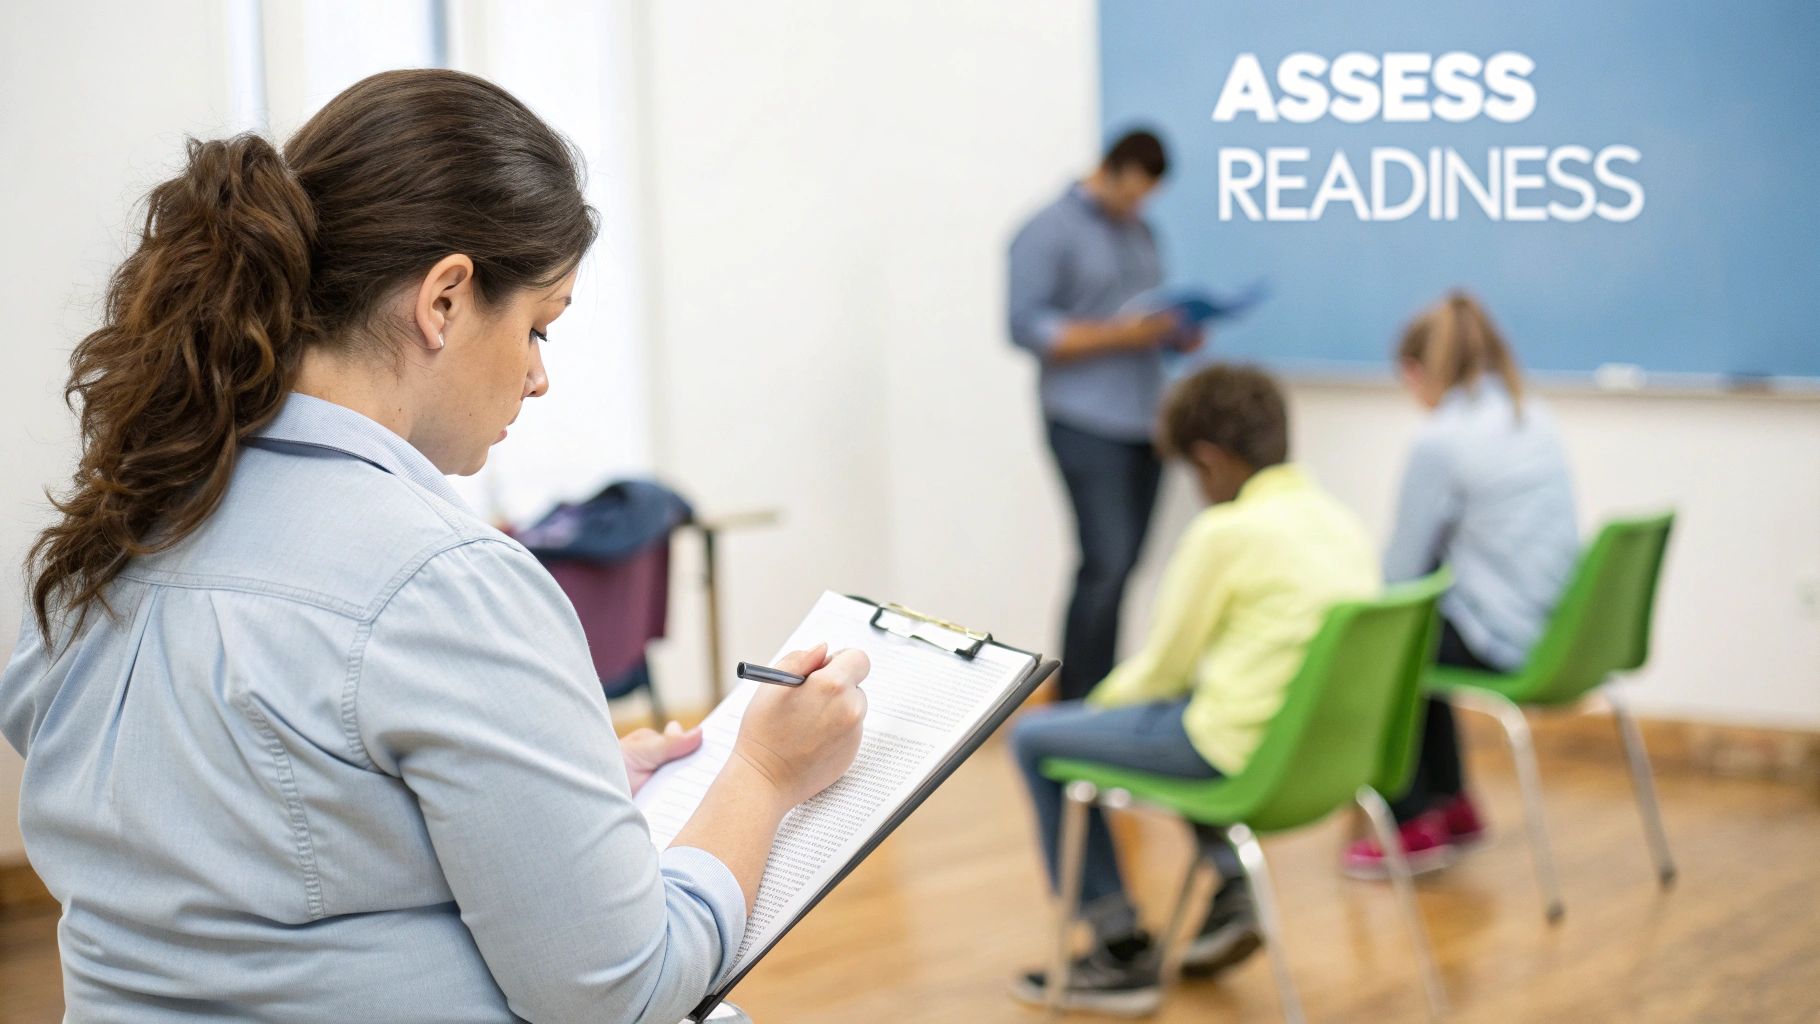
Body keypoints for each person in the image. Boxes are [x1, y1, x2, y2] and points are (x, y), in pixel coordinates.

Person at [0, 69, 869, 1024]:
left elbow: (244, 854)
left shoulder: (126, 530)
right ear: (445, 299)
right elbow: (620, 996)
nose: (538, 378)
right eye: (539, 327)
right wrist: (760, 777)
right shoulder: (440, 581)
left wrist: (562, 794)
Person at [1009, 365, 1379, 1015]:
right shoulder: (1340, 521)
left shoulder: (1225, 532)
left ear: (1210, 459)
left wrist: (1091, 716)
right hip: (1322, 757)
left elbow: (1162, 672)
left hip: (1239, 752)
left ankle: (1116, 949)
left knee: (1035, 737)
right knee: (1191, 713)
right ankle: (1232, 886)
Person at [1341, 291, 1580, 878]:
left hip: (1504, 636)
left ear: (1416, 373)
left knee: (1385, 640)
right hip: (1557, 630)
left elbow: (1397, 576)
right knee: (1428, 632)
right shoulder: (1533, 416)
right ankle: (1453, 803)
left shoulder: (1440, 440)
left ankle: (1413, 823)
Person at [1007, 128, 1205, 702]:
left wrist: (1173, 333)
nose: (1138, 205)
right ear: (1111, 170)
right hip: (1084, 419)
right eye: (1134, 192)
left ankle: (1102, 700)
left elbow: (1148, 319)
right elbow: (1026, 327)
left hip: (1145, 420)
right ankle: (1075, 704)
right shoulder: (1046, 231)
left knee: (1122, 571)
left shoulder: (1142, 232)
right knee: (1104, 564)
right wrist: (1122, 335)